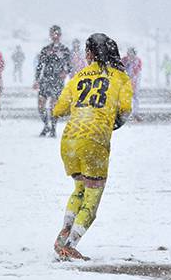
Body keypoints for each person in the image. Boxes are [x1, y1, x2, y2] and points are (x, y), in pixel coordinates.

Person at [52, 33, 132, 261]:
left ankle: (65, 231)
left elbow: (58, 110)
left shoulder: (78, 77)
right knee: (92, 198)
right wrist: (110, 120)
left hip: (70, 139)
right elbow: (125, 108)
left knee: (79, 189)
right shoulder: (121, 78)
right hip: (95, 139)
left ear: (90, 53)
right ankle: (71, 244)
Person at [33, 25, 71, 137]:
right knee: (41, 105)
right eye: (53, 34)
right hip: (45, 79)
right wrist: (36, 80)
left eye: (57, 34)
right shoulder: (46, 49)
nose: (55, 36)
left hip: (57, 81)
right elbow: (40, 65)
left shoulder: (64, 50)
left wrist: (65, 72)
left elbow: (69, 66)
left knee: (54, 106)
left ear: (60, 35)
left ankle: (53, 128)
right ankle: (46, 125)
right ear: (50, 35)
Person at [121, 47, 143, 122]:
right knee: (125, 97)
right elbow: (121, 68)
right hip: (125, 81)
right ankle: (125, 112)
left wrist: (132, 78)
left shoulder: (137, 60)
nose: (130, 56)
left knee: (135, 97)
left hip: (134, 81)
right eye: (129, 54)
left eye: (132, 54)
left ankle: (135, 113)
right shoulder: (124, 60)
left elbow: (137, 71)